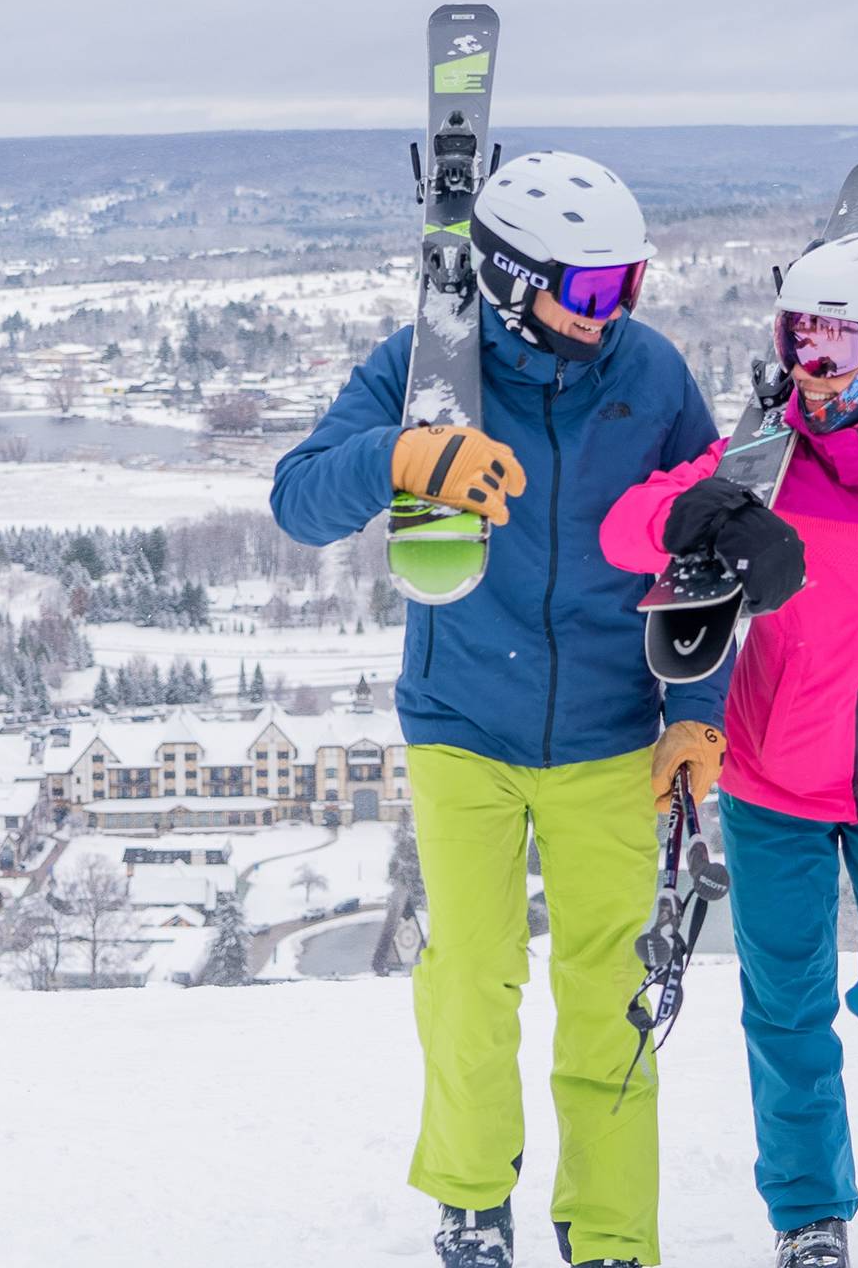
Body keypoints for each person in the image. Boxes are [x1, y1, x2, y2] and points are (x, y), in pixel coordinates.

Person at [271, 150, 732, 1268]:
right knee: (472, 975)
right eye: (585, 290)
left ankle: (612, 1228)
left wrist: (696, 710)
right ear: (510, 280)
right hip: (462, 723)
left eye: (625, 284)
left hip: (613, 733)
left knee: (611, 985)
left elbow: (710, 550)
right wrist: (404, 454)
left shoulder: (654, 376)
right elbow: (298, 498)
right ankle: (474, 1201)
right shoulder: (428, 369)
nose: (608, 312)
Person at [600, 233, 858, 1268]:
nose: (808, 375)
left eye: (835, 351)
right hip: (776, 782)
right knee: (789, 1006)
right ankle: (810, 1215)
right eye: (794, 343)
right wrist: (703, 511)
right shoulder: (766, 463)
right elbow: (627, 530)